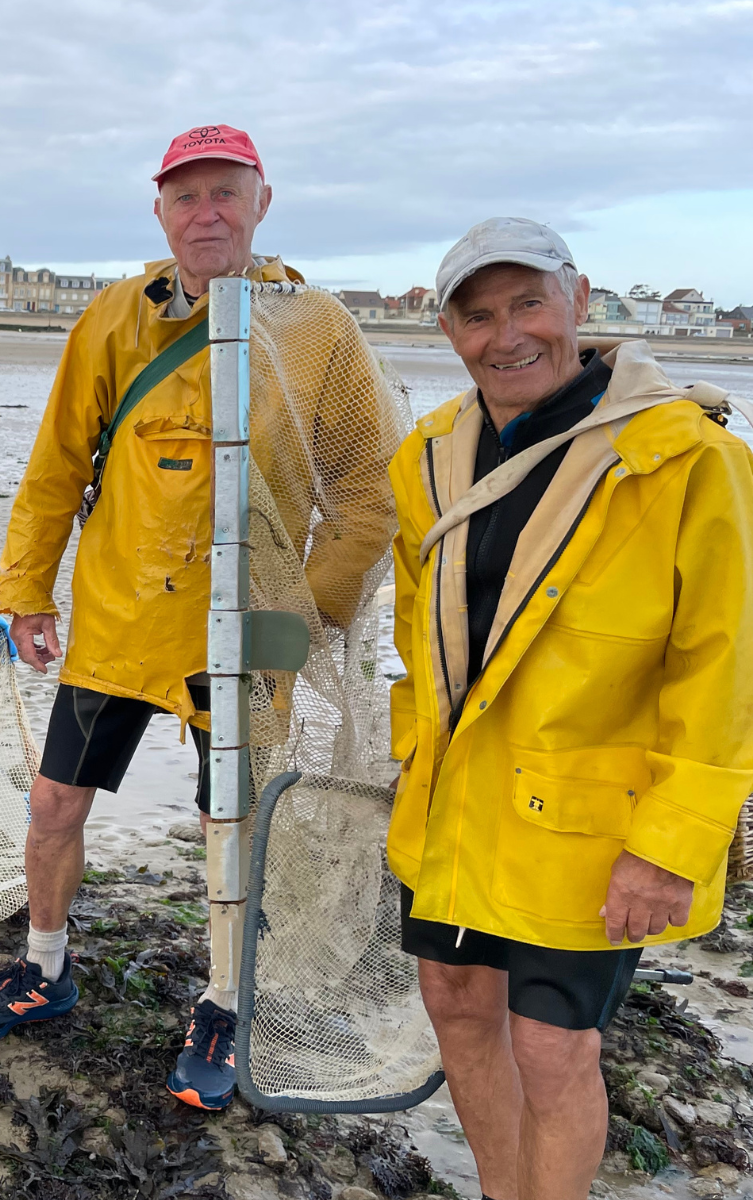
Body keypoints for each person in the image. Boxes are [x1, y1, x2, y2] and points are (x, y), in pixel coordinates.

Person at [0, 124, 398, 1112]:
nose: (207, 214)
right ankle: (45, 967)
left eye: (225, 194)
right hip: (117, 622)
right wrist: (25, 590)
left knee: (229, 828)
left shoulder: (317, 329)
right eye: (186, 197)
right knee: (55, 804)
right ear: (160, 212)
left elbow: (367, 494)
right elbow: (57, 467)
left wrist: (305, 618)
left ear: (262, 202)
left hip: (245, 636)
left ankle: (225, 1008)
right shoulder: (113, 321)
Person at [387, 218, 753, 1200]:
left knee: (554, 1052)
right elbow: (418, 643)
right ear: (449, 332)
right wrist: (411, 759)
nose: (505, 335)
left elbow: (726, 669)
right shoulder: (425, 457)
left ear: (579, 301)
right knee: (458, 1009)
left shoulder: (688, 457)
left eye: (528, 304)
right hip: (455, 808)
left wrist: (670, 844)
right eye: (476, 315)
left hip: (588, 822)